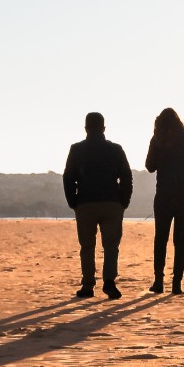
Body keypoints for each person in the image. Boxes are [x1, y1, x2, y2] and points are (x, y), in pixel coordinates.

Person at [62, 111, 132, 299]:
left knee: (87, 246)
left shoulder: (76, 149)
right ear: (103, 128)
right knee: (111, 246)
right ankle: (109, 282)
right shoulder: (116, 149)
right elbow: (126, 176)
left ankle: (87, 284)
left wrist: (73, 202)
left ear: (86, 129)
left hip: (85, 202)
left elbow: (68, 177)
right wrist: (124, 201)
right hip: (111, 202)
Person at [143, 106, 184, 294]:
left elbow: (149, 166)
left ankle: (158, 282)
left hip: (164, 196)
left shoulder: (158, 140)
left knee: (160, 239)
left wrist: (158, 144)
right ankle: (177, 284)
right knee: (181, 241)